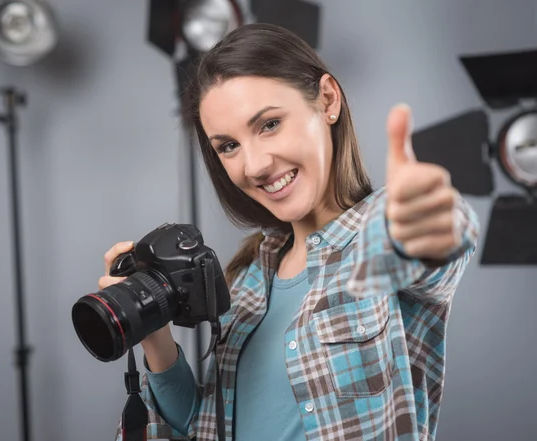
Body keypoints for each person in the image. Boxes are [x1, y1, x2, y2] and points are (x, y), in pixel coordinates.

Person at [103, 23, 480, 441]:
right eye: (229, 146)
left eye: (269, 124)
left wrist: (430, 220)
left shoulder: (380, 236)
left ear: (328, 101)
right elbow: (200, 426)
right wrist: (155, 334)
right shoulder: (246, 280)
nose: (255, 166)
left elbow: (440, 247)